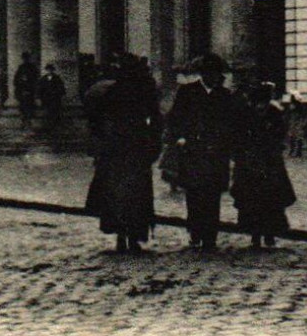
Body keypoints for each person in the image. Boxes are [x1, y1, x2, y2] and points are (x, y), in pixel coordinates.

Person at [84, 55, 162, 254]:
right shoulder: (142, 92)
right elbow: (156, 121)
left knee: (120, 195)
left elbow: (96, 121)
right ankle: (133, 236)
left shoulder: (112, 92)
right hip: (133, 150)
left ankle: (122, 235)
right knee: (135, 196)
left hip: (120, 151)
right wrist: (153, 143)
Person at [167, 54, 239, 251]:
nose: (212, 77)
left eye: (215, 73)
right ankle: (195, 231)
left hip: (216, 153)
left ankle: (210, 235)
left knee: (212, 194)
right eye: (208, 73)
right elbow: (175, 118)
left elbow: (232, 124)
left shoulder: (224, 96)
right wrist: (180, 137)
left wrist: (228, 145)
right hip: (193, 150)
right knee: (194, 193)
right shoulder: (187, 92)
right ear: (202, 74)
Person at [230, 82, 296, 249]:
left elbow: (280, 134)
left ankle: (269, 234)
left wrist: (273, 145)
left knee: (271, 200)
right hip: (251, 162)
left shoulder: (274, 113)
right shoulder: (247, 114)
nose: (262, 105)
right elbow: (239, 135)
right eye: (260, 101)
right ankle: (255, 234)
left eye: (264, 101)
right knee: (252, 201)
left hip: (269, 162)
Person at [38, 65, 67, 129]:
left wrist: (59, 94)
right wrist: (39, 97)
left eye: (51, 70)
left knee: (55, 111)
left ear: (52, 70)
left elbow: (61, 88)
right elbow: (40, 88)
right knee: (47, 112)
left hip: (55, 98)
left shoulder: (57, 78)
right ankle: (47, 125)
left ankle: (54, 125)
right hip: (46, 98)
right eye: (48, 70)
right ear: (46, 70)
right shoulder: (43, 79)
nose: (49, 71)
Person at [13, 54, 38, 127]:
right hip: (21, 90)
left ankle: (29, 121)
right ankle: (23, 121)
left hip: (30, 90)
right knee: (22, 106)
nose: (25, 60)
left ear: (29, 59)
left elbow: (35, 79)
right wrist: (20, 82)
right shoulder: (20, 67)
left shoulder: (32, 67)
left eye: (26, 58)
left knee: (29, 105)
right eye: (24, 58)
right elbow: (15, 80)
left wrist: (30, 85)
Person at [284, 94, 307, 159]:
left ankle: (295, 151)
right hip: (295, 123)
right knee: (295, 137)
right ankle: (297, 152)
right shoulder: (299, 108)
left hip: (296, 123)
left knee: (295, 137)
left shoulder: (296, 108)